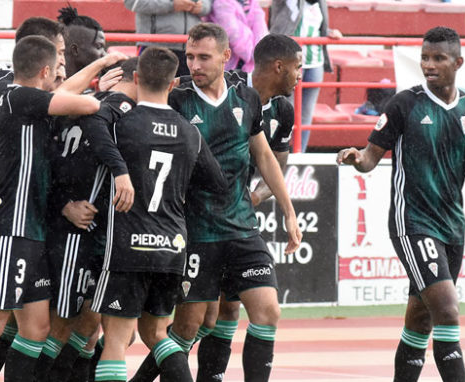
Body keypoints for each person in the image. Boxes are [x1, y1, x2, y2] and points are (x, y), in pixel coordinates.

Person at [132, 23, 302, 382]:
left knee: (267, 311)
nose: (194, 64)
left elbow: (266, 156)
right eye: (190, 56)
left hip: (241, 228)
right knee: (189, 327)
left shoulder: (246, 98)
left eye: (203, 57)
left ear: (226, 56)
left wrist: (288, 211)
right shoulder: (176, 100)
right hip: (196, 231)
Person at [336, 26, 465, 382]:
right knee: (447, 310)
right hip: (412, 223)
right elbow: (370, 159)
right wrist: (355, 157)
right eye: (425, 57)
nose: (429, 64)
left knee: (420, 318)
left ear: (458, 62)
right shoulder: (404, 104)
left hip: (452, 228)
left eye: (439, 58)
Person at [0, 35, 101, 382]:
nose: (59, 72)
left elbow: (64, 92)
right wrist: (104, 81)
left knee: (36, 328)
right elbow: (87, 106)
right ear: (44, 70)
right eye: (56, 66)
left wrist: (100, 65)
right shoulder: (16, 96)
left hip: (31, 231)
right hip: (10, 229)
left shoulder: (22, 97)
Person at [92, 45, 226, 382]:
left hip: (129, 244)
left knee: (117, 340)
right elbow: (217, 184)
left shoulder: (123, 123)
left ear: (135, 78)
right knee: (156, 334)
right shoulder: (189, 131)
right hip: (170, 246)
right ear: (173, 84)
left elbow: (92, 131)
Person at [38, 58, 139, 382]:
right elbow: (46, 172)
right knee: (61, 323)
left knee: (92, 323)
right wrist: (64, 205)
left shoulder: (122, 115)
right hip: (72, 234)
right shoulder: (90, 113)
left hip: (104, 235)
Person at [269, 0, 341, 152]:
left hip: (315, 62)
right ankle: (279, 151)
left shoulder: (320, 3)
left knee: (306, 114)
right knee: (285, 111)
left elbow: (316, 26)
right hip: (290, 62)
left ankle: (299, 153)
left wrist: (328, 32)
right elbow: (281, 24)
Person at [124, 0, 212, 76]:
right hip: (154, 47)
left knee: (188, 91)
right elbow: (133, 3)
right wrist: (171, 5)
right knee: (153, 90)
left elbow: (208, 4)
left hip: (190, 48)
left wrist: (202, 6)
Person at [204, 0, 268, 72]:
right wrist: (253, 54)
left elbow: (261, 30)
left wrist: (260, 52)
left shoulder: (253, 3)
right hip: (230, 62)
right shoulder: (222, 3)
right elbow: (232, 33)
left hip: (251, 62)